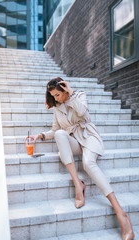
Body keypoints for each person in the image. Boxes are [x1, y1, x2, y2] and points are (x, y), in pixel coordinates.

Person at [26, 77, 134, 240]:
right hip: (74, 140)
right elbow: (55, 130)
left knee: (88, 163)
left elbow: (83, 113)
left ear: (64, 90)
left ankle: (121, 213)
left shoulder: (79, 95)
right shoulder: (56, 107)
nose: (56, 98)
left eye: (58, 94)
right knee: (61, 134)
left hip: (88, 136)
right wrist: (39, 135)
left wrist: (71, 95)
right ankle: (78, 184)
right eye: (53, 96)